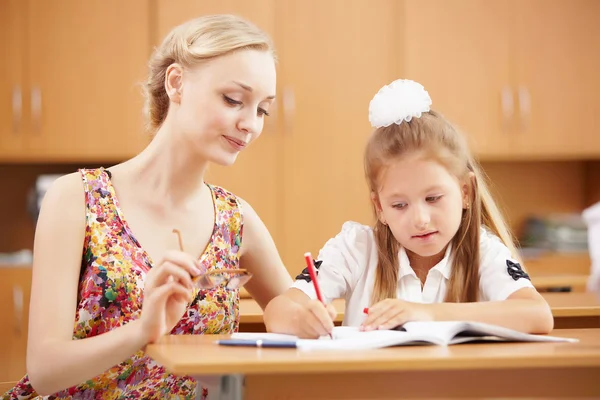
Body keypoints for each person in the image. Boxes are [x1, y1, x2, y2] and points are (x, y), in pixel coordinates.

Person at [2, 14, 292, 400]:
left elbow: (293, 310)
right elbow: (45, 371)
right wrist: (143, 330)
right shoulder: (76, 199)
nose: (250, 125)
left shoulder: (237, 219)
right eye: (234, 100)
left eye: (262, 110)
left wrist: (308, 308)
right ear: (177, 83)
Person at [263, 79, 554, 338]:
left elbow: (537, 315)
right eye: (399, 205)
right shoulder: (356, 249)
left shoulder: (483, 250)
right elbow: (278, 310)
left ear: (465, 192)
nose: (420, 219)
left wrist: (427, 314)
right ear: (379, 207)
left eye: (433, 198)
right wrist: (300, 319)